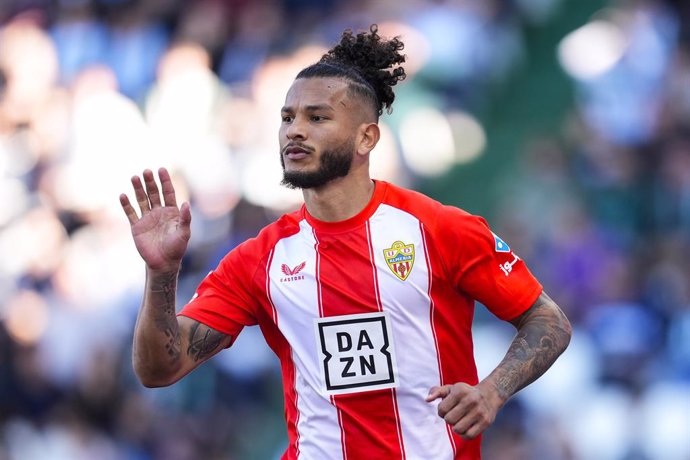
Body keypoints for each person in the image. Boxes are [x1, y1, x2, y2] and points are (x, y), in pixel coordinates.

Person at [120, 25, 572, 460]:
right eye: (287, 118)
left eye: (317, 118)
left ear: (366, 137)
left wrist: (493, 390)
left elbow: (548, 321)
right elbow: (160, 368)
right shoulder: (259, 260)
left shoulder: (440, 229)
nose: (295, 130)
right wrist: (161, 274)